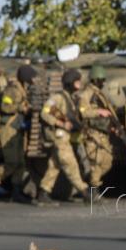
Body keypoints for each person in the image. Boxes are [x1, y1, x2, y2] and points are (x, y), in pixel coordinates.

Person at [0, 64, 36, 203]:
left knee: (20, 163)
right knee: (12, 162)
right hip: (8, 129)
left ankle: (16, 191)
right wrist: (20, 108)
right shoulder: (12, 90)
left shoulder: (22, 89)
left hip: (18, 128)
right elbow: (5, 106)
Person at [38, 67, 90, 204]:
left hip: (66, 137)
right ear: (70, 82)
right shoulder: (58, 98)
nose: (79, 84)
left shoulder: (70, 98)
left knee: (54, 166)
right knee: (70, 164)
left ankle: (43, 192)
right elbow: (44, 113)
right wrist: (60, 123)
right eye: (77, 81)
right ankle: (85, 192)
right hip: (60, 137)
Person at [77, 64, 120, 194]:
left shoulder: (99, 93)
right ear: (95, 80)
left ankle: (89, 182)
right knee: (96, 161)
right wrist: (98, 112)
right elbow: (83, 112)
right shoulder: (86, 94)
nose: (103, 83)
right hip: (92, 132)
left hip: (103, 132)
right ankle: (93, 190)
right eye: (101, 80)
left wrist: (114, 125)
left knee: (107, 161)